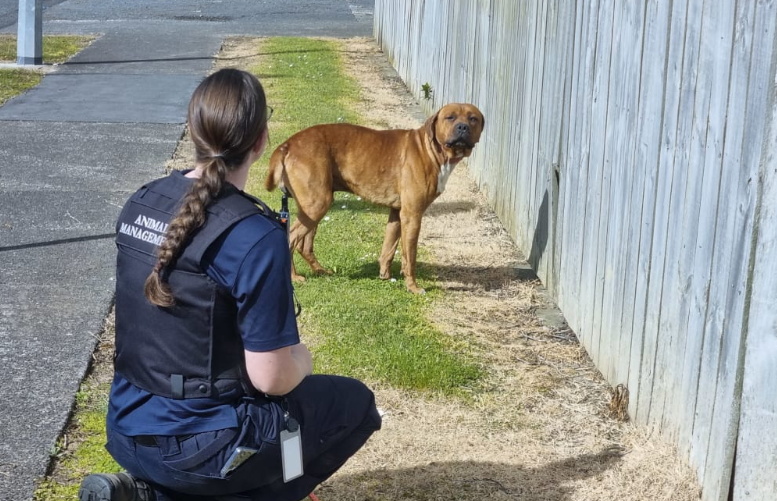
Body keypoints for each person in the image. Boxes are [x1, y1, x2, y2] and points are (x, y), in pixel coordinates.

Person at [78, 68, 381, 501]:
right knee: (353, 405)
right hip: (200, 449)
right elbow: (272, 379)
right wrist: (303, 358)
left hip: (126, 424)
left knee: (265, 429)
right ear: (261, 141)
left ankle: (147, 494)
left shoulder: (141, 201)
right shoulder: (253, 236)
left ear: (194, 130)